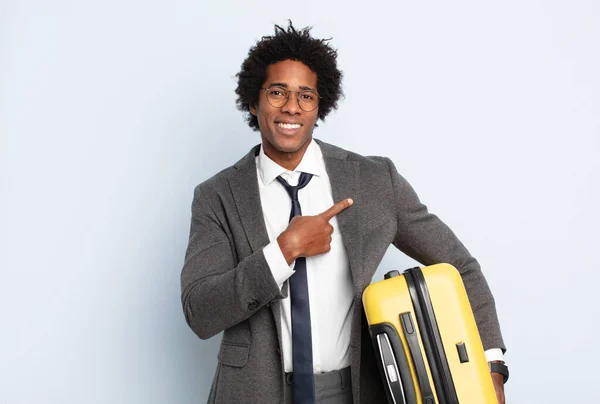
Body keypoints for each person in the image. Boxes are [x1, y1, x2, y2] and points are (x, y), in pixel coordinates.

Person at [180, 21, 508, 404]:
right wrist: (283, 251)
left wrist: (491, 368)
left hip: (356, 390)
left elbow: (460, 267)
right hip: (253, 392)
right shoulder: (217, 195)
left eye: (306, 96)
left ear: (320, 107)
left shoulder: (373, 180)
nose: (291, 106)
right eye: (277, 92)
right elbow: (200, 311)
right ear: (254, 102)